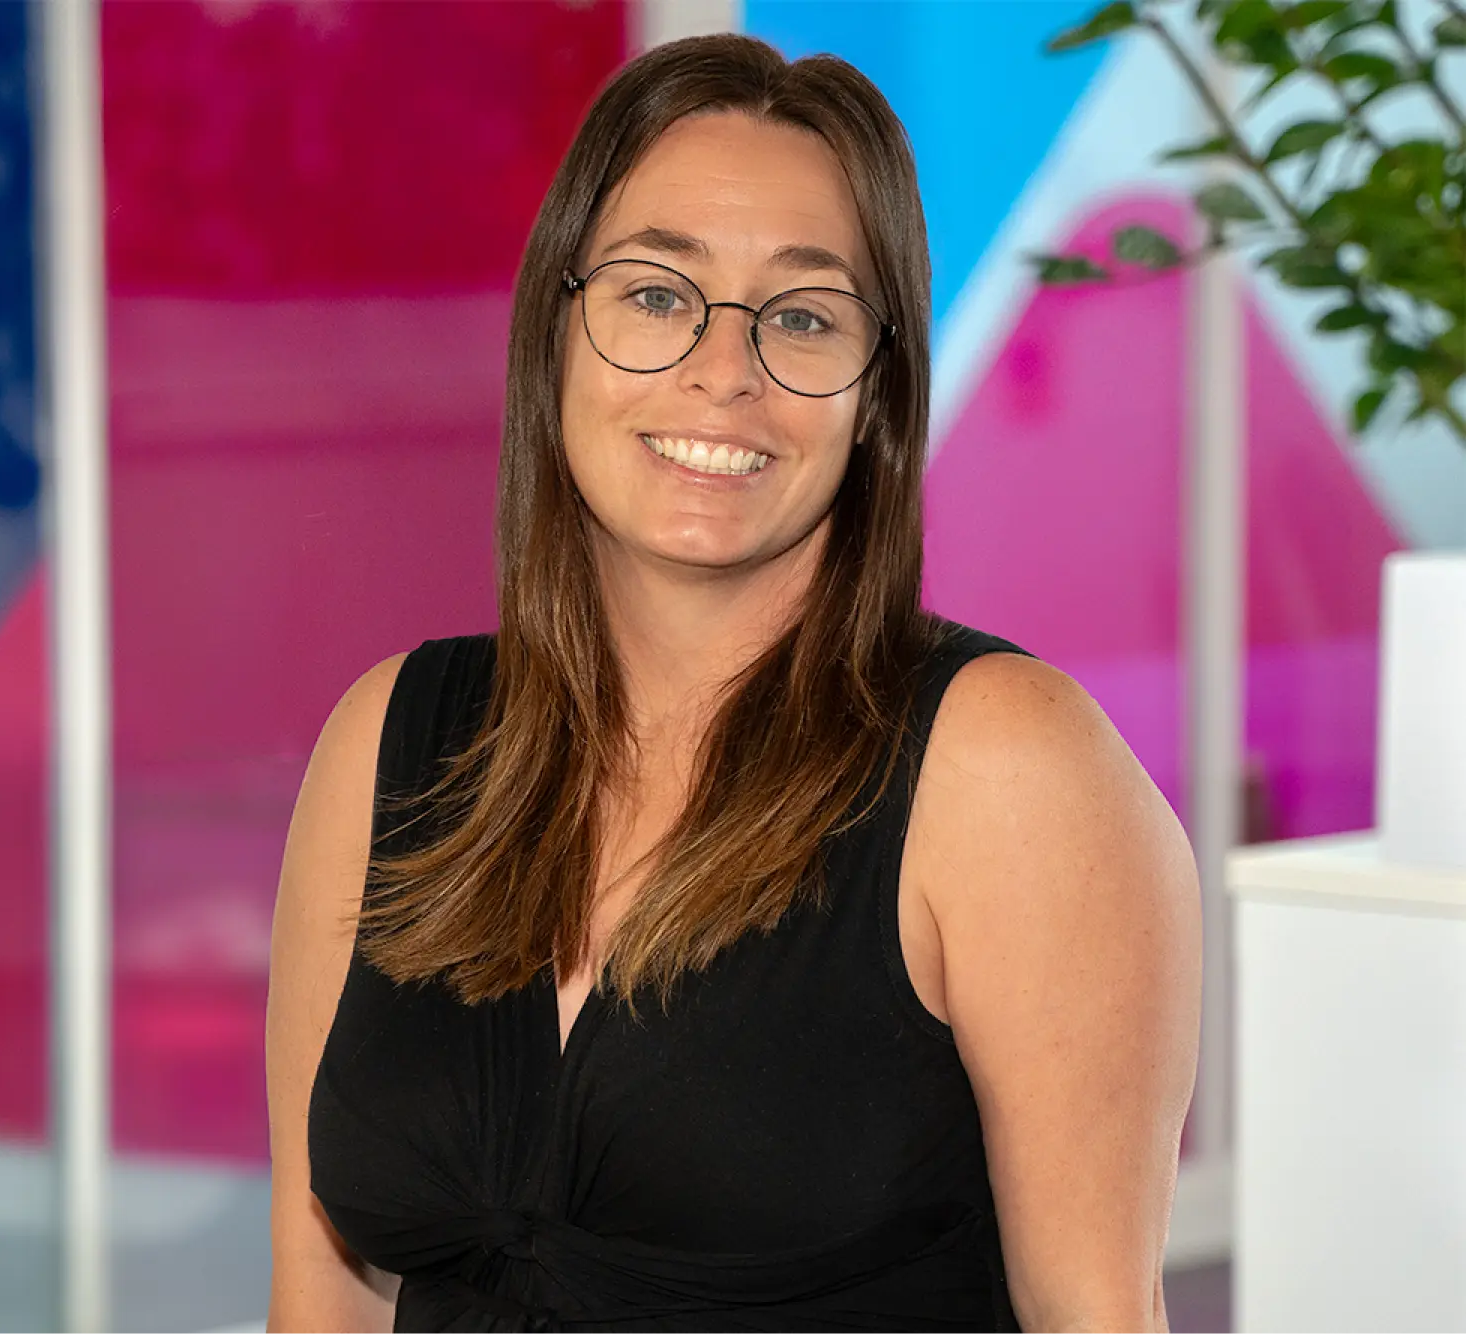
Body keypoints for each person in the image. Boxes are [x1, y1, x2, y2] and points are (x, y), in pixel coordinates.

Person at [266, 33, 1201, 1334]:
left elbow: (1097, 1314)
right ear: (558, 330)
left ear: (876, 396)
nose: (725, 369)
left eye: (803, 317)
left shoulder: (1007, 769)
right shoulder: (392, 741)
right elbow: (317, 1312)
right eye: (657, 294)